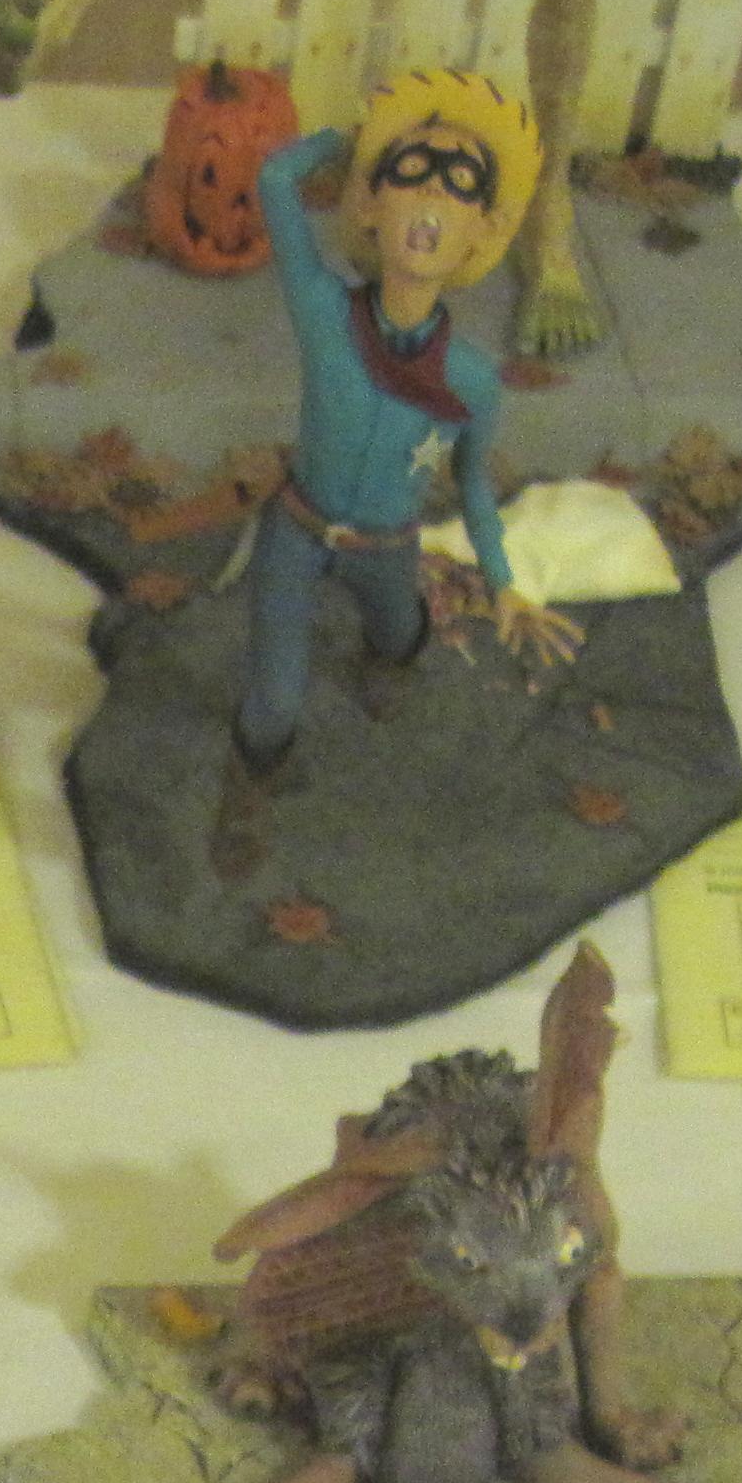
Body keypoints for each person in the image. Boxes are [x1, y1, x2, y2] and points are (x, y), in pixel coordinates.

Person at [217, 70, 568, 879]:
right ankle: (248, 788)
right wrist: (350, 140)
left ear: (483, 232)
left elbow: (473, 485)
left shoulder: (472, 381)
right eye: (411, 171)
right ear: (371, 205)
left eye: (461, 182)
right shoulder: (323, 312)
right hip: (297, 529)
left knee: (400, 634)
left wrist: (506, 583)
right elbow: (276, 180)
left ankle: (387, 658)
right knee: (273, 700)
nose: (432, 195)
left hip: (387, 546)